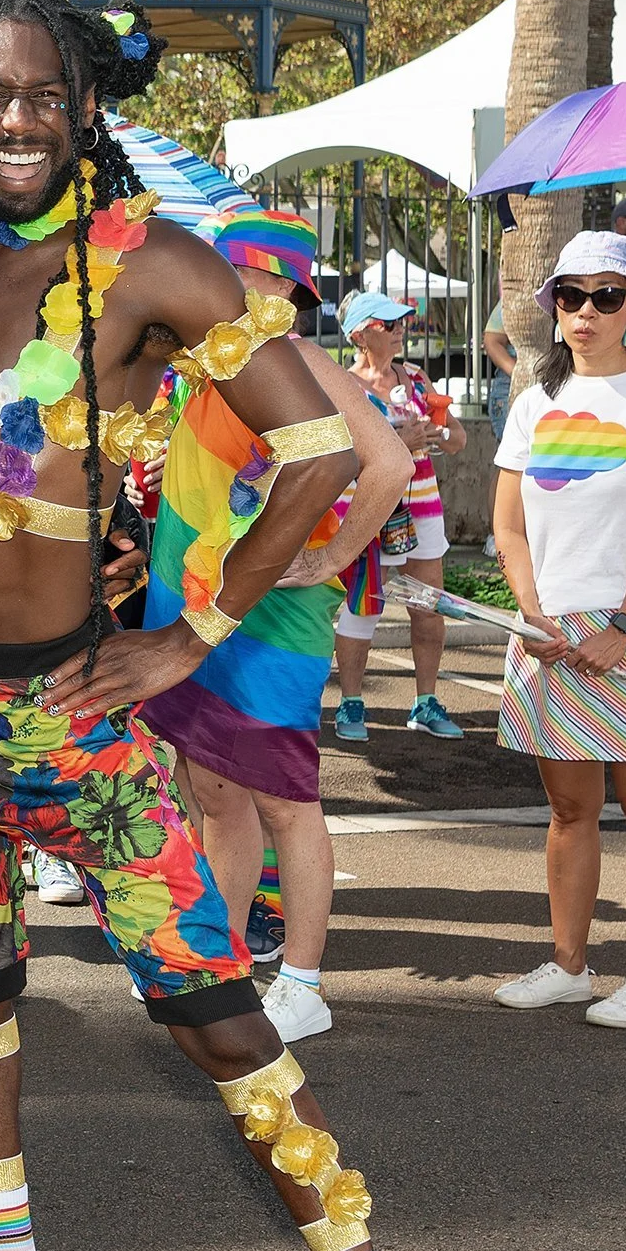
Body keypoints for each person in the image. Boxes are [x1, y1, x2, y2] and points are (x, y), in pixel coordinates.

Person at [0, 0, 490, 1251]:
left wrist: (190, 638)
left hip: (86, 734)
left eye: (39, 94)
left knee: (226, 1033)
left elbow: (328, 457)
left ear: (84, 101)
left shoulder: (148, 262)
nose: (9, 120)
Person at [141, 209, 414, 1045]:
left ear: (278, 287)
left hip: (273, 614)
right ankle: (220, 967)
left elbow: (391, 465)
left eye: (234, 273)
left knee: (286, 799)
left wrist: (332, 563)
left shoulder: (295, 358)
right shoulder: (205, 369)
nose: (214, 286)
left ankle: (302, 980)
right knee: (215, 791)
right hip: (194, 607)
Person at [490, 232, 626, 1028]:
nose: (587, 312)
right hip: (549, 629)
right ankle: (569, 964)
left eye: (608, 295)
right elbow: (509, 527)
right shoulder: (533, 403)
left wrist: (624, 628)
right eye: (572, 295)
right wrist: (532, 615)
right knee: (568, 813)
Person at [331, 291, 467, 743]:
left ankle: (425, 701)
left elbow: (458, 441)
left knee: (428, 609)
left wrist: (438, 431)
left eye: (400, 322)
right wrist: (396, 441)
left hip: (421, 509)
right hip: (367, 509)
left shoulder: (415, 377)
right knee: (361, 609)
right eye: (387, 324)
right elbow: (337, 453)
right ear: (358, 334)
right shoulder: (341, 385)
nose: (399, 330)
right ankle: (351, 703)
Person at [481, 295, 517, 559]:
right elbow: (492, 339)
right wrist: (517, 372)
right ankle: (497, 534)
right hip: (511, 385)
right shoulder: (518, 294)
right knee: (508, 461)